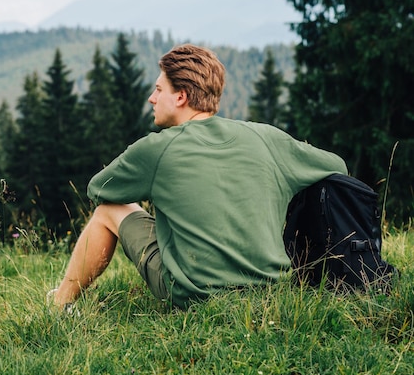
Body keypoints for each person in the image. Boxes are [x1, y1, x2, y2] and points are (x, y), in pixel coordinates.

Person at [49, 44, 348, 310]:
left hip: (192, 294)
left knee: (108, 211)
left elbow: (99, 190)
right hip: (271, 290)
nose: (152, 98)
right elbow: (336, 166)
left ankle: (61, 303)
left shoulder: (157, 148)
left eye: (159, 90)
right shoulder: (266, 137)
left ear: (180, 96)